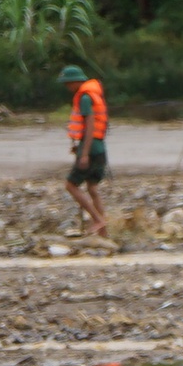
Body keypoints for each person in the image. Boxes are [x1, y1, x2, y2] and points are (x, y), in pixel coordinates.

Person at [60, 64, 111, 242]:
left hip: (91, 148)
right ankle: (104, 232)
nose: (67, 88)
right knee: (92, 188)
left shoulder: (85, 97)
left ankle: (97, 220)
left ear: (75, 82)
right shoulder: (94, 93)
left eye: (68, 84)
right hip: (99, 147)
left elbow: (90, 125)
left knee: (71, 185)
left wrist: (84, 154)